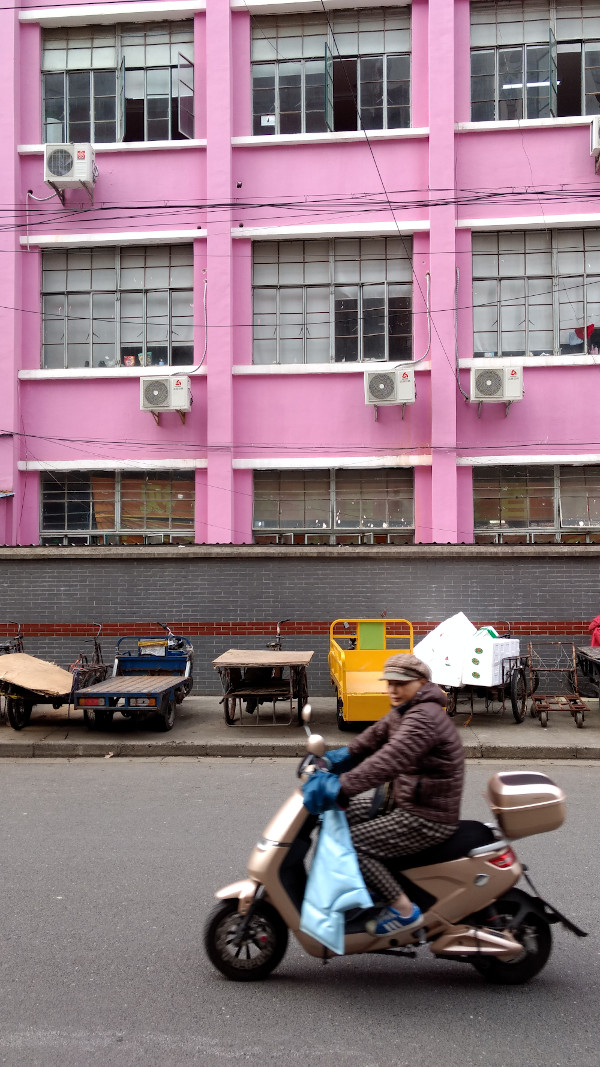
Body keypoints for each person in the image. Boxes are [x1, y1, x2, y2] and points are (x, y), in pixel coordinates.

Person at [302, 652, 464, 936]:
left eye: (401, 683)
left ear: (422, 682)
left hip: (427, 814)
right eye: (389, 682)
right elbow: (370, 741)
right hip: (404, 800)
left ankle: (404, 911)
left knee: (352, 846)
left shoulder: (424, 718)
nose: (393, 689)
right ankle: (358, 889)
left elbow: (389, 759)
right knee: (337, 818)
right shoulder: (404, 712)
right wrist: (332, 759)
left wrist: (341, 786)